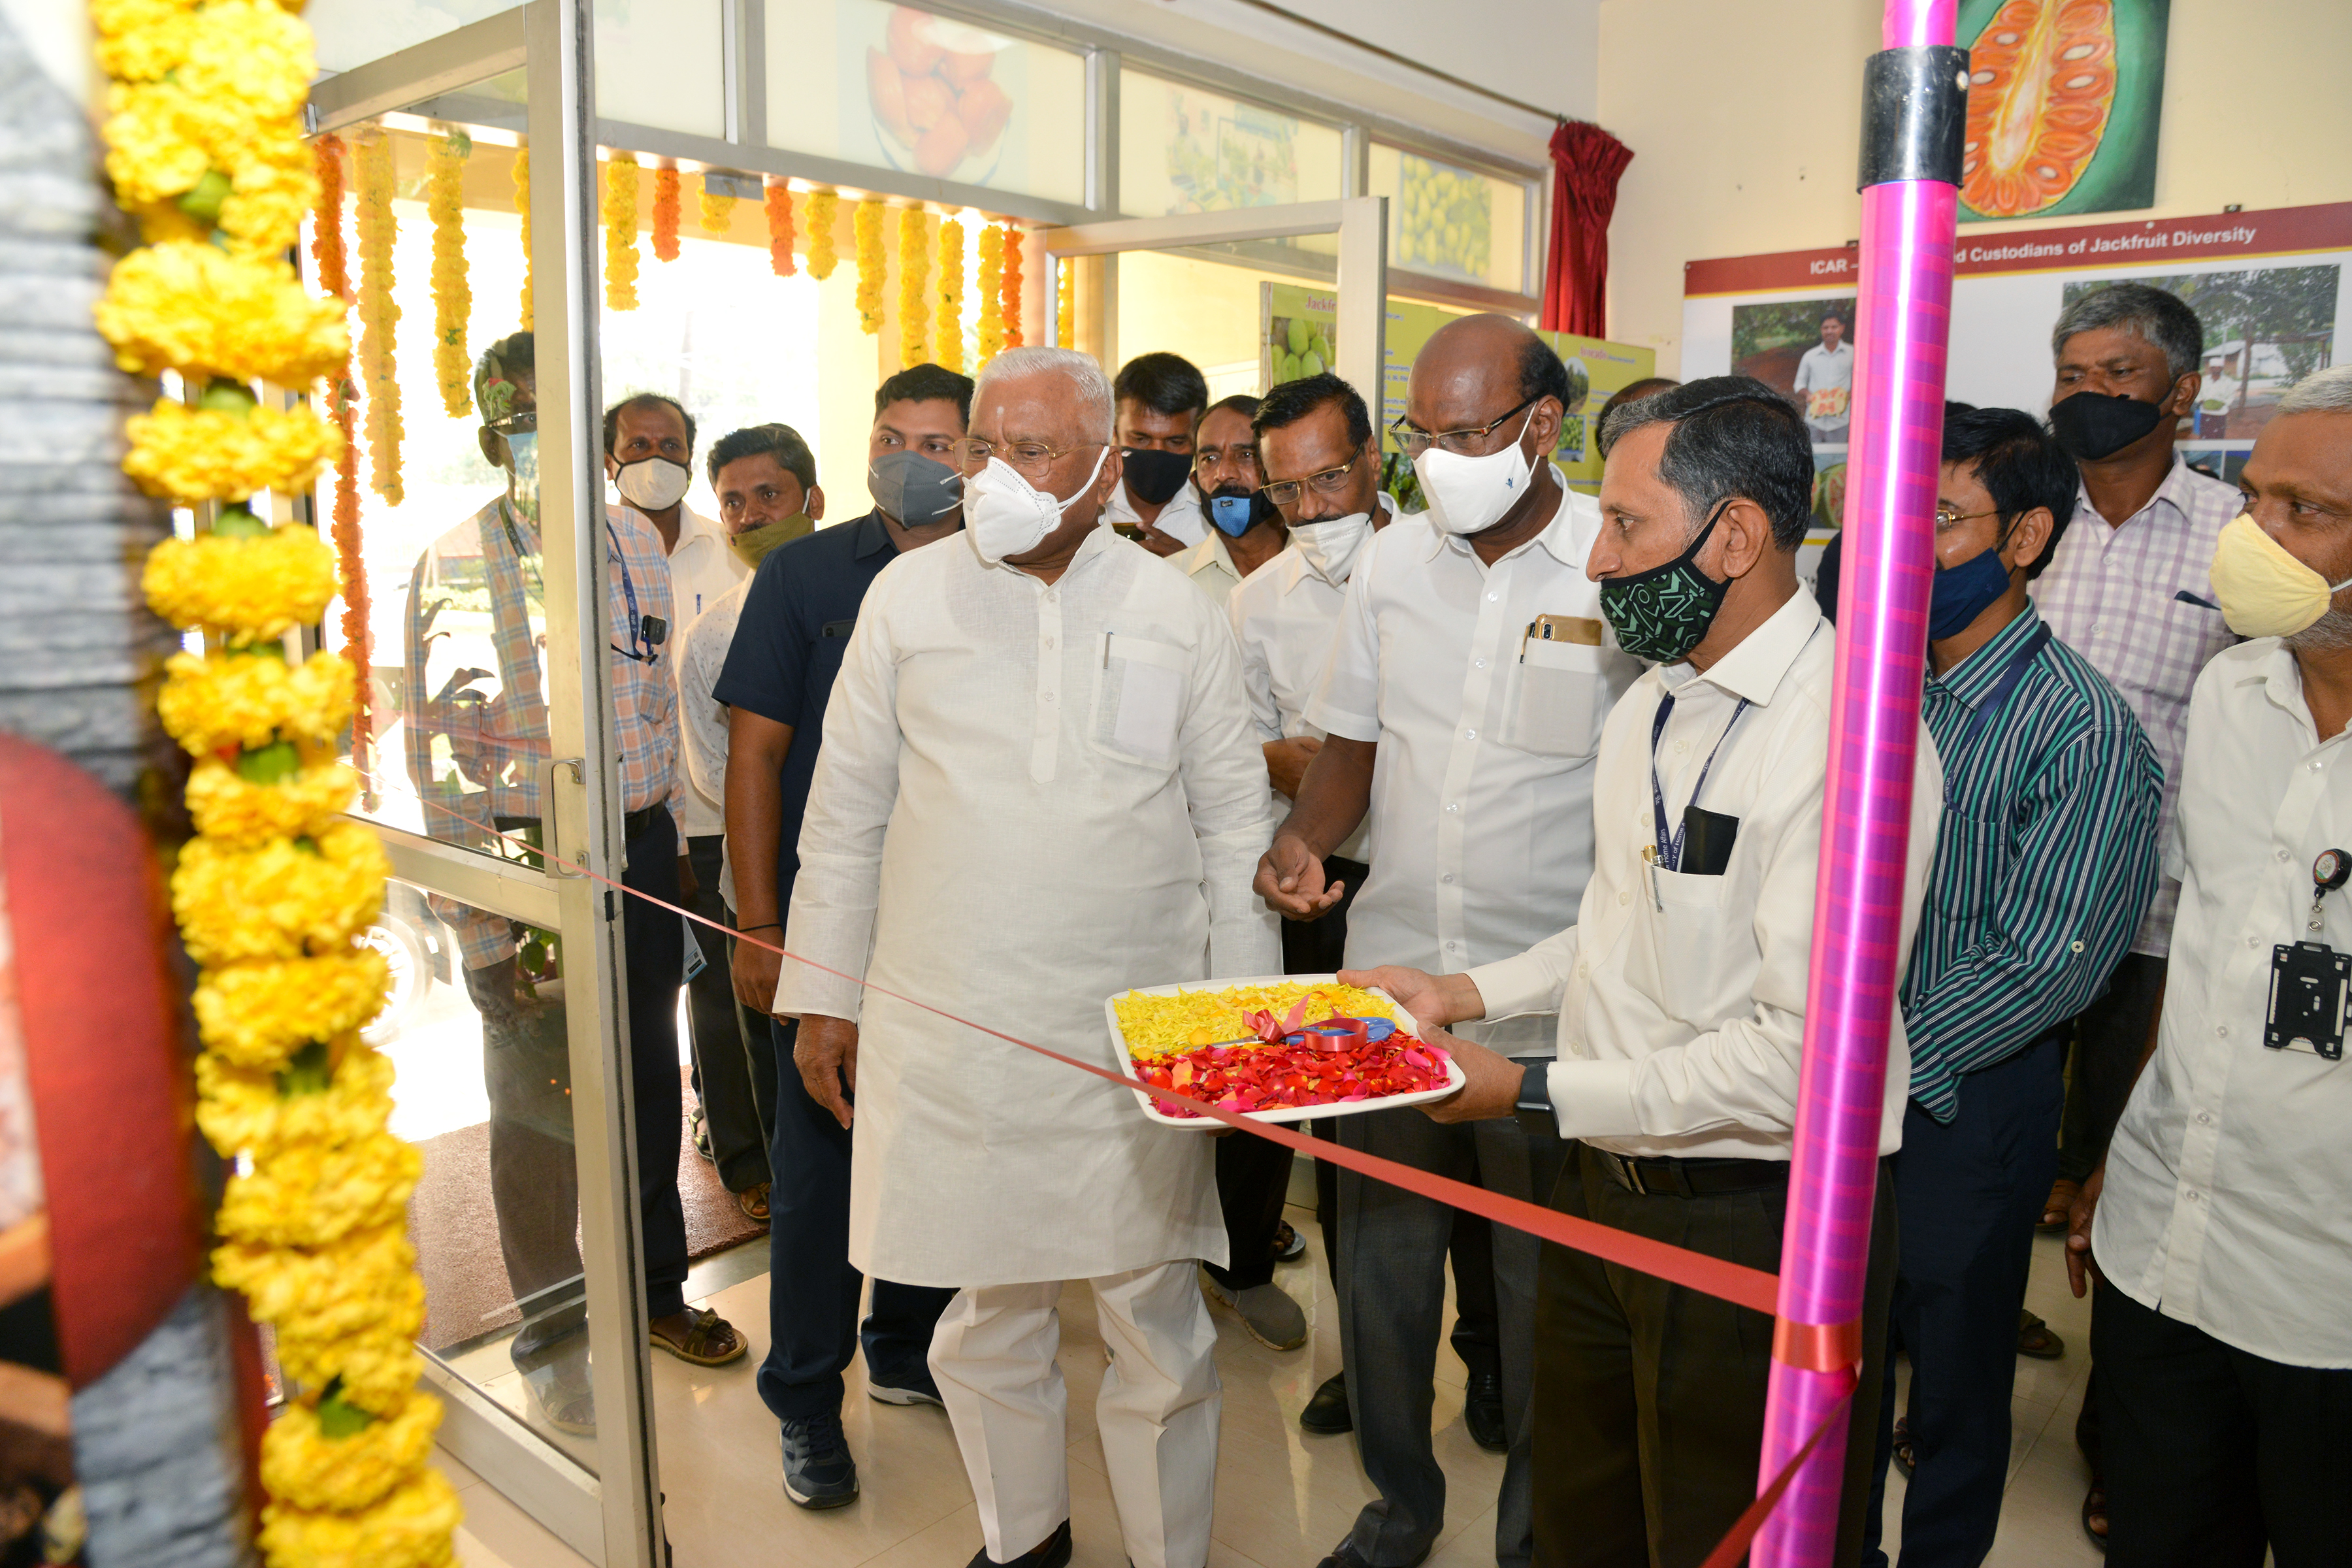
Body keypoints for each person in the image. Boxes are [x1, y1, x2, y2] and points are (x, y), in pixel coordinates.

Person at [1351, 376, 1942, 1568]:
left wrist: (1522, 1091)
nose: (1598, 562)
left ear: (1736, 536)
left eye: (1627, 527)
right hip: (1601, 1189)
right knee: (1586, 1520)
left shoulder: (1849, 744)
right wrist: (1469, 997)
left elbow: (1798, 1061)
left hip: (1754, 1219)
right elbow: (1619, 925)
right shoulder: (1656, 704)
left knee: (1727, 1536)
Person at [778, 346, 1279, 1568]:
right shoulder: (908, 599)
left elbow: (1233, 826)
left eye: (1034, 449)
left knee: (1154, 1318)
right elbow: (844, 813)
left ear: (1106, 464)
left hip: (1133, 1034)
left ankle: (1172, 1554)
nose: (996, 472)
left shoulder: (1178, 608)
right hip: (959, 1029)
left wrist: (1238, 1034)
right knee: (984, 1310)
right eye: (983, 447)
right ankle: (1025, 1541)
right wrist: (825, 1002)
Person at [1254, 314, 1639, 1568]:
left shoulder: (1620, 563)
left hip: (1550, 990)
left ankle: (1534, 1533)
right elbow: (1354, 746)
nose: (1443, 461)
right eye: (1425, 435)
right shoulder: (1392, 565)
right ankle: (1398, 1510)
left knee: (1543, 1301)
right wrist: (1307, 843)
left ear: (1545, 423)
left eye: (1470, 433)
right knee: (1377, 1278)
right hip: (1394, 980)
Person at [401, 334, 746, 1440]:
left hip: (640, 853)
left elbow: (652, 720)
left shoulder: (635, 551)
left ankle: (654, 1295)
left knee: (648, 1080)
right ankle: (553, 1335)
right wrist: (484, 930)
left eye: (557, 423)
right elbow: (446, 765)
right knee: (540, 1111)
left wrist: (680, 865)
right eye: (517, 426)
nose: (537, 445)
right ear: (490, 432)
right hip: (528, 863)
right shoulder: (456, 563)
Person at [1856, 406, 2161, 1568]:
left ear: (2026, 536)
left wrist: (1879, 1061)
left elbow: (2057, 960)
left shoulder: (2081, 728)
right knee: (1830, 1357)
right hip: (1833, 1082)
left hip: (1962, 1103)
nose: (1901, 543)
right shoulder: (1873, 691)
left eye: (1936, 518)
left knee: (1952, 1389)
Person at [2066, 365, 2352, 1567]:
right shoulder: (2230, 692)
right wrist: (2115, 1154)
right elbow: (2200, 945)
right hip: (2163, 1243)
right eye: (2254, 500)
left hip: (2327, 1289)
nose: (2258, 534)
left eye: (2308, 512)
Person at [713, 365, 971, 1509]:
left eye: (939, 440)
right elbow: (756, 755)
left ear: (980, 455)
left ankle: (908, 1344)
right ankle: (807, 1399)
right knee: (821, 1172)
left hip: (966, 928)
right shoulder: (808, 574)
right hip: (833, 927)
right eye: (891, 436)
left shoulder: (1005, 574)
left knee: (941, 1150)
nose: (912, 457)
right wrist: (763, 922)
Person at [1237, 373, 1497, 1445]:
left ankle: (1493, 1368)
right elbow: (1242, 740)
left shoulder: (1449, 569)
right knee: (1356, 1164)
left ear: (1377, 464)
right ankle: (1368, 1367)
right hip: (1334, 909)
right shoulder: (1258, 603)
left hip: (1462, 913)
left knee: (1485, 1149)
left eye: (1329, 478)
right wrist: (1303, 772)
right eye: (1286, 490)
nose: (1311, 510)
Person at [2033, 281, 2241, 1543]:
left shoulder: (2235, 542)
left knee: (2133, 1194)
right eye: (2072, 369)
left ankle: (2121, 1440)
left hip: (2154, 932)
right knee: (1984, 1168)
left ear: (2180, 392)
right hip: (2000, 919)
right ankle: (1946, 1380)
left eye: (2116, 372)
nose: (2087, 393)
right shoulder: (2020, 519)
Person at [604, 391, 755, 1201]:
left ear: (690, 458)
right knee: (665, 1005)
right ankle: (700, 1144)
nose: (651, 458)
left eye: (668, 444)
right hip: (638, 819)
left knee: (731, 999)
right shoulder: (588, 552)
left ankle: (744, 1156)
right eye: (636, 444)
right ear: (608, 458)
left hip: (720, 810)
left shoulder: (726, 547)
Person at [672, 422, 823, 1223]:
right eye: (733, 501)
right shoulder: (714, 635)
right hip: (765, 890)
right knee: (786, 1083)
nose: (753, 514)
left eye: (770, 493)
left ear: (814, 498)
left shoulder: (876, 598)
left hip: (881, 880)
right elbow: (713, 771)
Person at [1174, 393, 1287, 602]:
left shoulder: (1324, 569)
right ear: (1195, 483)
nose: (1224, 473)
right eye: (1210, 458)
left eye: (1246, 455)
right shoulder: (1171, 581)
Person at [1105, 351, 1210, 556]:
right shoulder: (1085, 510)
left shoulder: (1217, 517)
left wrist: (1190, 570)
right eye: (1141, 439)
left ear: (1198, 439)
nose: (1157, 454)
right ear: (1115, 433)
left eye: (1176, 441)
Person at [1791, 306, 1855, 445]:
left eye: (1834, 327)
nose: (1830, 331)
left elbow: (1860, 382)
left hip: (1841, 420)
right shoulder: (1810, 356)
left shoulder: (1853, 354)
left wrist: (1848, 396)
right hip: (1814, 421)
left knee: (1837, 461)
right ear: (1821, 330)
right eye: (1826, 328)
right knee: (1814, 460)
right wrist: (1808, 395)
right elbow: (1799, 383)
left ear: (1842, 328)